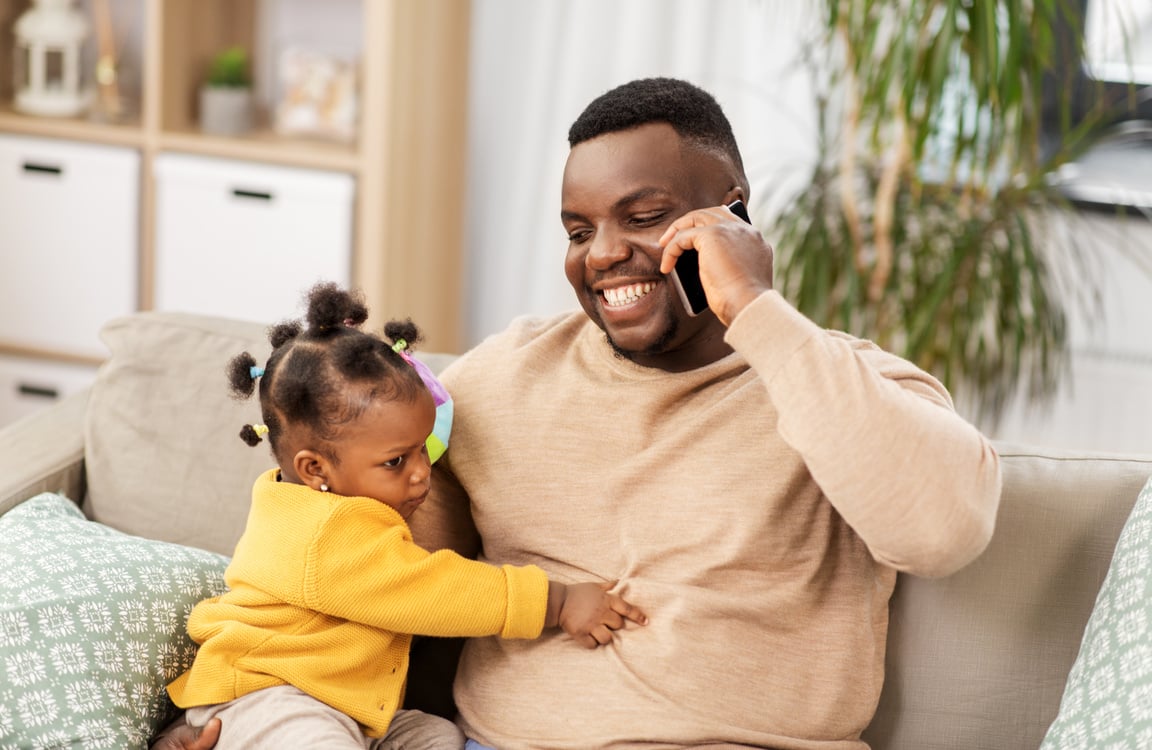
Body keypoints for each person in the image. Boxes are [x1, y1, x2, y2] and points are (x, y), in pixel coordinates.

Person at [157, 77, 1001, 750]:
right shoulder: (502, 380)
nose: (601, 254)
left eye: (644, 217)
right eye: (577, 229)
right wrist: (227, 723)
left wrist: (757, 313)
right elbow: (343, 569)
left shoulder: (837, 381)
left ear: (734, 212)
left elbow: (943, 532)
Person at [161, 282, 647, 750]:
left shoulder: (309, 501)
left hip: (346, 705)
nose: (422, 474)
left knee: (438, 737)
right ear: (315, 469)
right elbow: (432, 590)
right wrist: (555, 601)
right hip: (269, 696)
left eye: (424, 449)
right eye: (396, 461)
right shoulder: (327, 533)